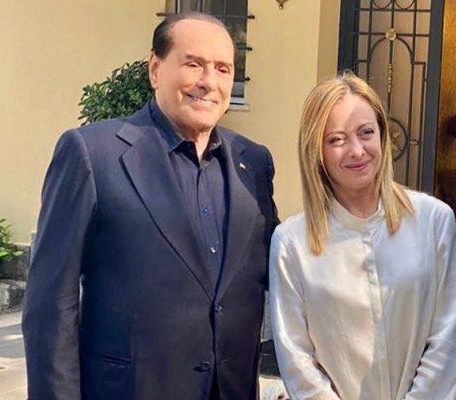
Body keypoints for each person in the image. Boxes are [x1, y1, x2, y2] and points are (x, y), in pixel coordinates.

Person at [22, 13, 278, 400]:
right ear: (155, 69)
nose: (209, 82)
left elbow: (277, 274)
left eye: (223, 69)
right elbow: (50, 306)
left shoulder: (253, 163)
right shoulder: (93, 155)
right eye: (193, 64)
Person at [268, 72, 456, 400]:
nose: (357, 150)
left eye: (366, 133)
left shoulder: (434, 221)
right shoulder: (291, 242)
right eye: (337, 139)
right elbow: (296, 355)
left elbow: (446, 337)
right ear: (316, 150)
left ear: (383, 136)